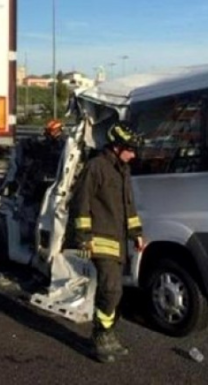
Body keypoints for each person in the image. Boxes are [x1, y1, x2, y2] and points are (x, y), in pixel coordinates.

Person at [71, 121, 146, 363]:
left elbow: (129, 206)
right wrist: (83, 238)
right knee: (111, 288)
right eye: (131, 149)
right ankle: (100, 336)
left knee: (116, 291)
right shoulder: (96, 167)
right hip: (100, 239)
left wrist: (137, 234)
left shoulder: (122, 169)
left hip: (120, 240)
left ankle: (109, 333)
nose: (134, 155)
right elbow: (80, 203)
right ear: (116, 146)